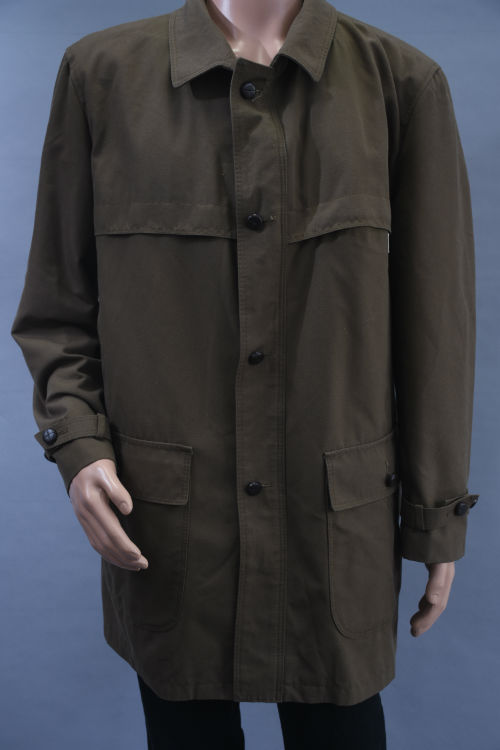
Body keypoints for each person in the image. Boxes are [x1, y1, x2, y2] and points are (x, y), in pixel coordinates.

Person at [10, 0, 479, 747]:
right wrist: (80, 447)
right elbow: (57, 309)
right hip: (168, 525)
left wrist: (436, 513)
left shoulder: (401, 84)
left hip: (334, 529)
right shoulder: (101, 76)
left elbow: (437, 329)